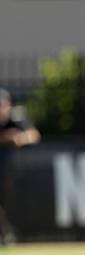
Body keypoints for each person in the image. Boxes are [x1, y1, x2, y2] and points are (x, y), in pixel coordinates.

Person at [0, 88, 40, 245]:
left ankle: (7, 233)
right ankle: (6, 233)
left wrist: (18, 138)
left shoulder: (16, 118)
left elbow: (34, 135)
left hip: (15, 171)